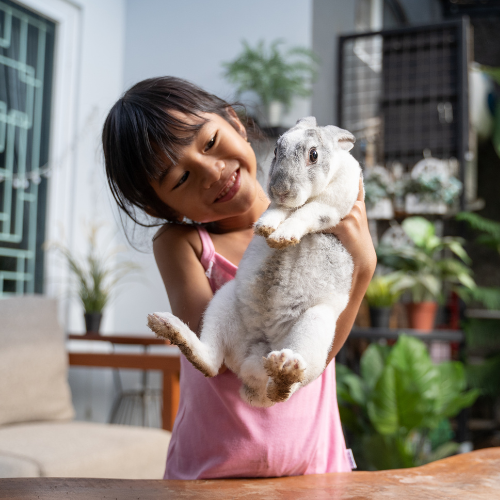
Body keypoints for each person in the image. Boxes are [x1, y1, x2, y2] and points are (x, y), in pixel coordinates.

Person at [102, 76, 376, 479]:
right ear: (160, 206)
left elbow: (320, 347)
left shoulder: (318, 220)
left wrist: (361, 262)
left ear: (233, 121)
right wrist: (363, 267)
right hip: (213, 477)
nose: (211, 171)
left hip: (316, 472)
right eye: (180, 178)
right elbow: (215, 353)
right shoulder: (184, 245)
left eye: (210, 142)